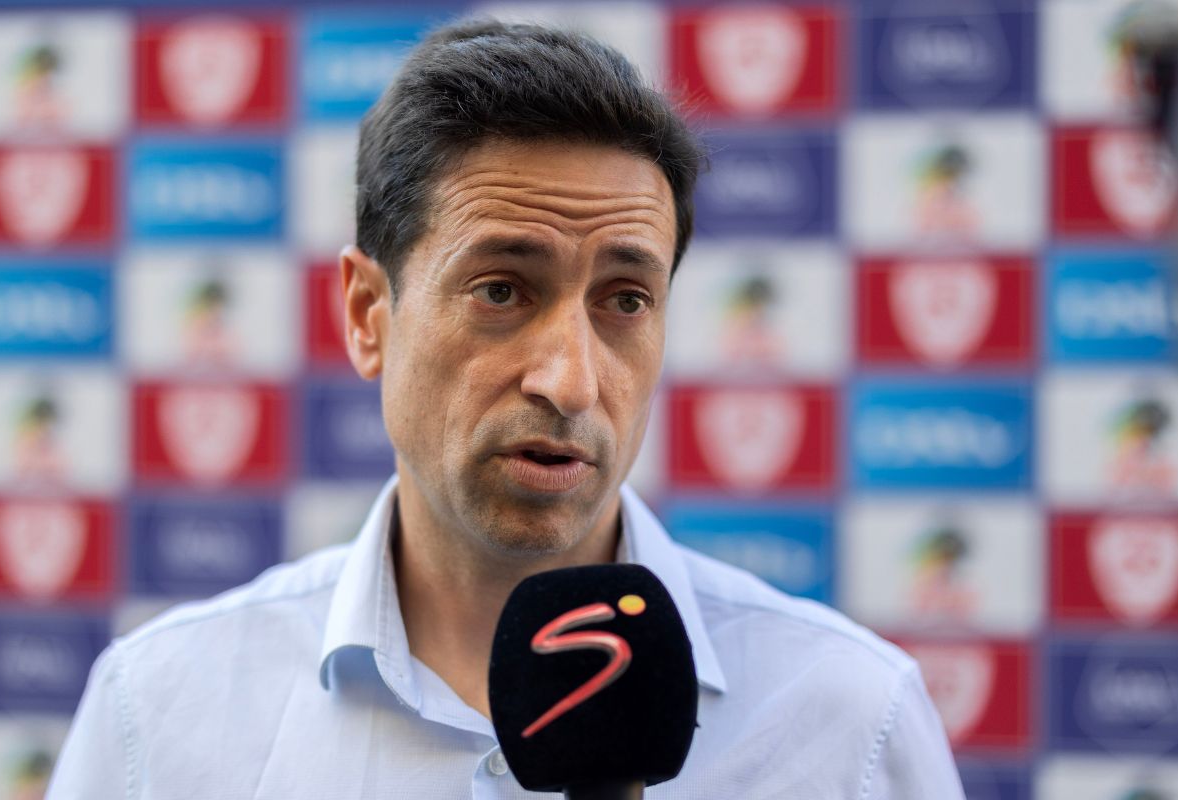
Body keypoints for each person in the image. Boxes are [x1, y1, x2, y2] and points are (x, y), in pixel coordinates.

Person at [47, 19, 965, 798]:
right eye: (500, 290)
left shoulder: (852, 722)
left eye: (625, 300)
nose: (570, 382)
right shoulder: (157, 712)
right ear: (368, 315)